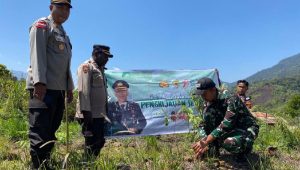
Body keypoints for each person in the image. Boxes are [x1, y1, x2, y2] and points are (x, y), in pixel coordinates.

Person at [26, 0, 74, 169]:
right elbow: (37, 54)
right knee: (40, 131)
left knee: (52, 130)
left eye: (67, 8)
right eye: (60, 7)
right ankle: (37, 166)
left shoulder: (63, 34)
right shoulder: (42, 26)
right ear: (51, 7)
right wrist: (39, 82)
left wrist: (69, 88)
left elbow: (65, 65)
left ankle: (45, 163)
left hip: (58, 90)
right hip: (43, 89)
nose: (64, 11)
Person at [192, 77, 259, 160]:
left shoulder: (230, 98)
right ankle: (213, 148)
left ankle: (245, 148)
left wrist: (206, 141)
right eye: (201, 94)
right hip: (229, 129)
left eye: (204, 94)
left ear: (213, 90)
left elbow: (226, 124)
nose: (202, 97)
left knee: (230, 143)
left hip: (246, 128)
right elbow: (203, 125)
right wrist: (203, 141)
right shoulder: (209, 103)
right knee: (208, 150)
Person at [75, 45, 113, 158]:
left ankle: (92, 162)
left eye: (108, 57)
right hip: (90, 114)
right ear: (96, 54)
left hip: (99, 114)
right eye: (105, 56)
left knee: (100, 141)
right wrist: (86, 112)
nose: (107, 59)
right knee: (91, 143)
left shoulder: (100, 70)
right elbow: (84, 90)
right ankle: (88, 164)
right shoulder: (87, 66)